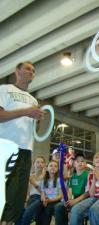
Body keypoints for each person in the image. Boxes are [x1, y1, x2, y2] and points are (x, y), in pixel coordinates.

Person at [0, 62, 44, 224]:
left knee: (18, 197)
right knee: (6, 194)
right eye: (27, 69)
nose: (31, 72)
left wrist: (37, 118)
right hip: (6, 147)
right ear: (17, 71)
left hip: (26, 151)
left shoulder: (33, 100)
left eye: (34, 70)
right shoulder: (4, 90)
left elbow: (32, 129)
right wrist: (26, 111)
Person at [70, 152, 99, 225]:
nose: (98, 159)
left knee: (94, 209)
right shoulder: (90, 174)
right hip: (94, 197)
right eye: (96, 157)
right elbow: (91, 194)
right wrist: (94, 178)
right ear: (93, 161)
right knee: (75, 209)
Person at [54, 154, 89, 225]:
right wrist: (69, 200)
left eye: (82, 161)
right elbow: (70, 191)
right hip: (74, 200)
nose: (80, 163)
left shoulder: (88, 175)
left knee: (75, 208)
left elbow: (88, 193)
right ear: (74, 164)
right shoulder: (73, 177)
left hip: (84, 200)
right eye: (77, 161)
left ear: (85, 164)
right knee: (58, 206)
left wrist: (75, 201)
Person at [17, 156, 46, 225]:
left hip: (40, 198)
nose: (40, 164)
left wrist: (34, 183)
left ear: (45, 165)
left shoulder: (47, 176)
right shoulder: (30, 176)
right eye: (37, 162)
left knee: (27, 213)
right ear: (34, 164)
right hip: (30, 197)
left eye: (42, 162)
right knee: (19, 212)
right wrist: (25, 200)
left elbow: (47, 191)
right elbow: (27, 190)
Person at [39, 160, 62, 225]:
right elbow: (42, 193)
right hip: (46, 200)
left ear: (57, 169)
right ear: (47, 168)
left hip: (55, 201)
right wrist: (44, 200)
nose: (53, 167)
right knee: (39, 207)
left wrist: (49, 201)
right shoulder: (44, 180)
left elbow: (60, 196)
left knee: (48, 209)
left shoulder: (59, 180)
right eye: (51, 166)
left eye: (55, 166)